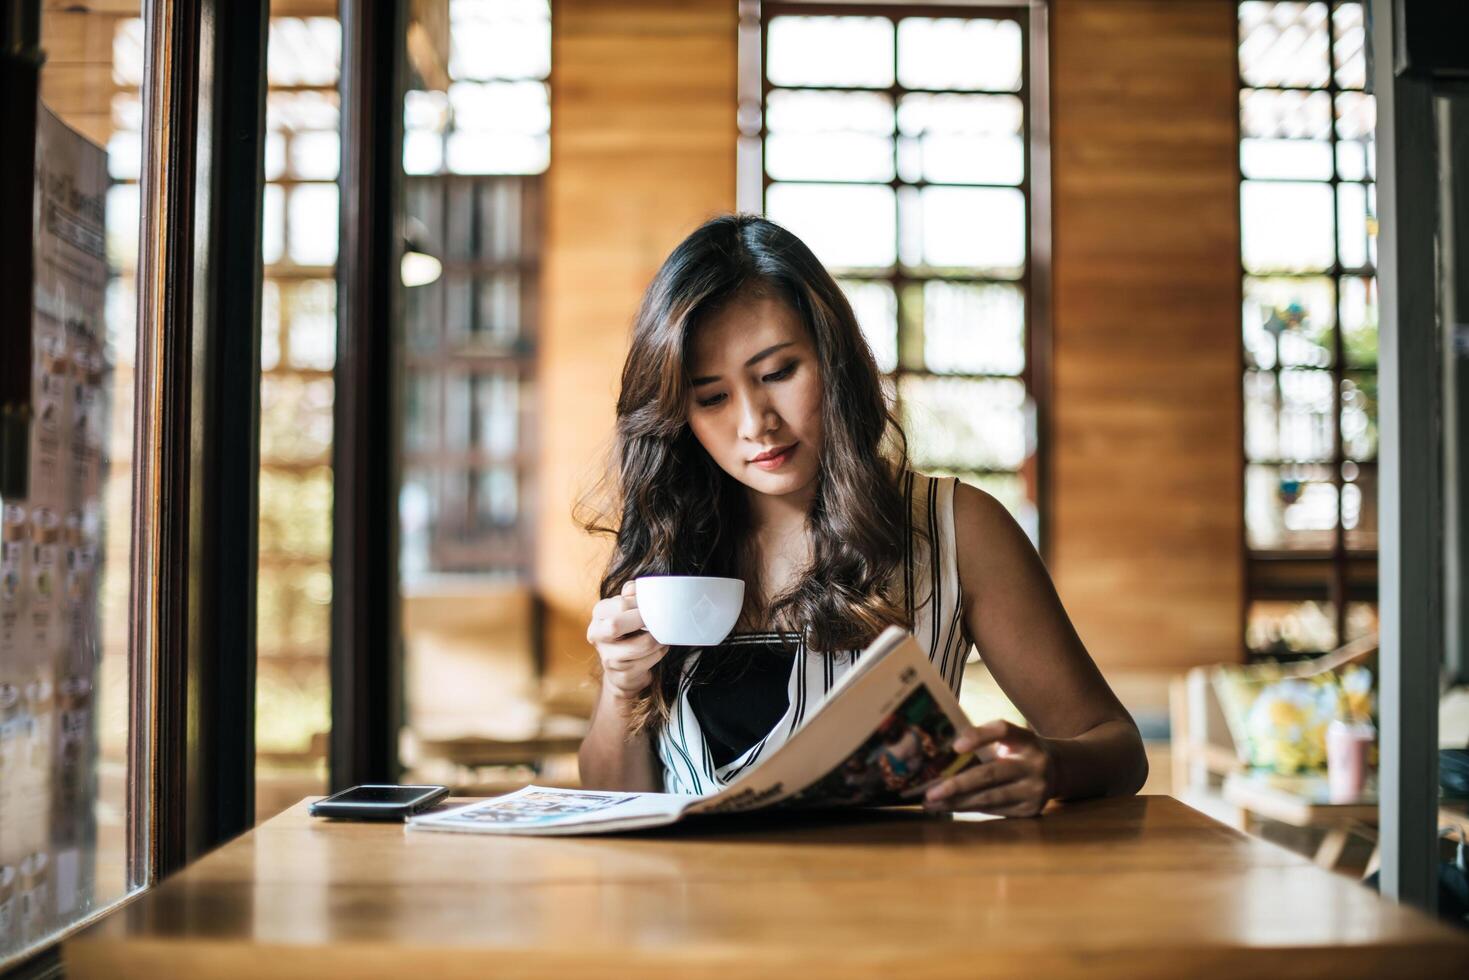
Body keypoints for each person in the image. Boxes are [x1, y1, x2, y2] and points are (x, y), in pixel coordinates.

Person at [576, 214, 1147, 817]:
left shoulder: (956, 527)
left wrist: (1050, 766)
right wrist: (620, 687)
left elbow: (1117, 746)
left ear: (834, 358)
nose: (756, 423)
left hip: (888, 904)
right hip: (693, 905)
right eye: (712, 397)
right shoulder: (670, 547)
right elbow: (611, 798)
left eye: (777, 373)